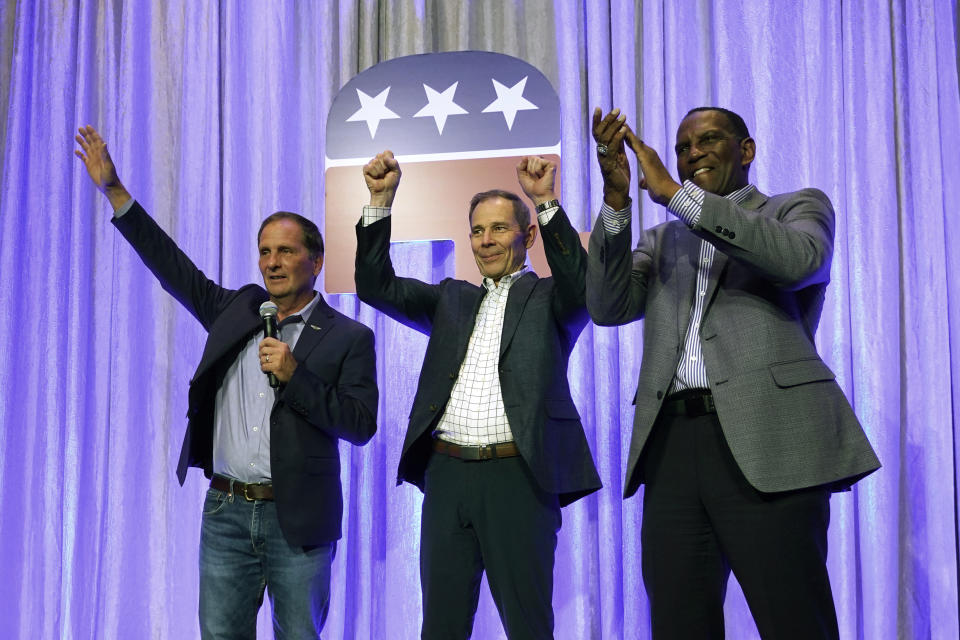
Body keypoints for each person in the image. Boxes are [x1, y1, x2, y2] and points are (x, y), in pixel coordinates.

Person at [586, 107, 880, 639]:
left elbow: (798, 263)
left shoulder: (797, 208)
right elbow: (608, 306)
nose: (692, 152)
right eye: (681, 147)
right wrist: (616, 204)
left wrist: (678, 195)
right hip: (671, 444)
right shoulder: (660, 240)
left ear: (745, 151)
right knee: (679, 622)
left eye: (708, 140)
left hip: (770, 438)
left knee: (795, 621)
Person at [75, 125, 379, 639]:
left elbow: (360, 424)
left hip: (299, 520)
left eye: (284, 251)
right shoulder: (237, 308)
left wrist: (295, 375)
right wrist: (115, 190)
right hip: (226, 512)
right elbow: (172, 266)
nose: (272, 262)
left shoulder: (350, 336)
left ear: (316, 260)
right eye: (264, 252)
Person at [355, 151, 601, 639]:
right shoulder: (452, 298)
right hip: (447, 476)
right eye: (477, 230)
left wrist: (545, 201)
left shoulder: (552, 298)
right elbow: (375, 286)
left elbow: (583, 282)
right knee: (441, 628)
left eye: (498, 229)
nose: (485, 241)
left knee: (529, 626)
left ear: (527, 235)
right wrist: (380, 201)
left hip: (518, 477)